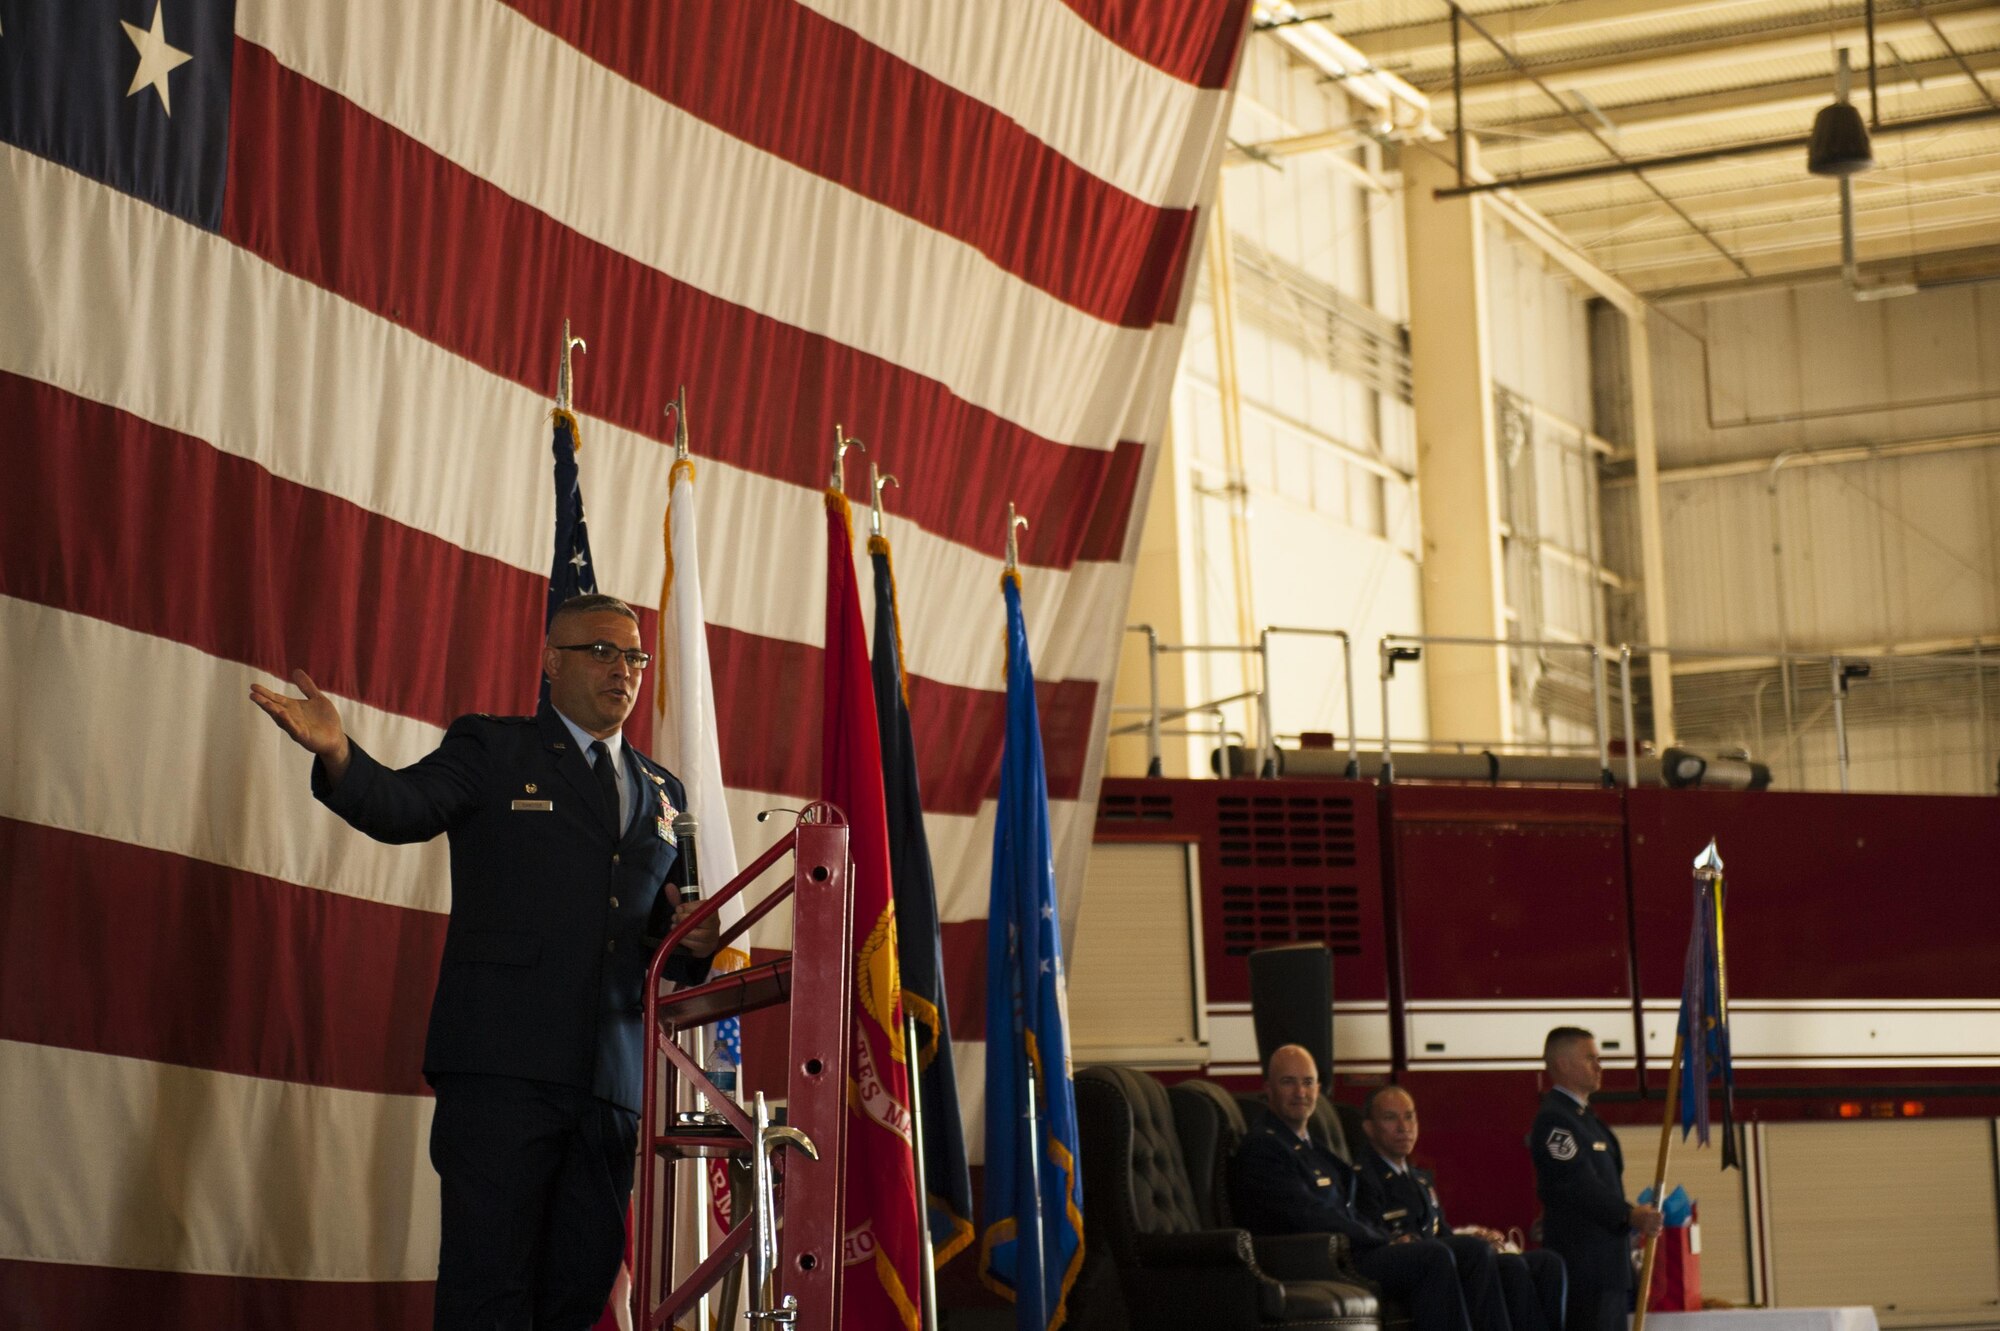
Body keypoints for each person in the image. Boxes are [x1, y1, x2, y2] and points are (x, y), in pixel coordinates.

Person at [252, 592, 720, 1330]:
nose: (622, 669)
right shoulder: (494, 749)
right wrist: (341, 754)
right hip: (502, 1071)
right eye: (600, 650)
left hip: (610, 1085)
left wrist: (694, 945)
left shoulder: (667, 793)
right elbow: (403, 805)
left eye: (633, 655)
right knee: (487, 1290)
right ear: (551, 660)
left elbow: (661, 940)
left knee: (578, 1287)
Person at [1230, 1045, 1505, 1331]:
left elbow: (1346, 1209)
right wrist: (1383, 1238)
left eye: (1308, 1082)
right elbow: (1309, 1215)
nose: (1300, 1092)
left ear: (1318, 1089)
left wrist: (1389, 1238)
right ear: (1268, 1089)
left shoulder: (1314, 1150)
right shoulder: (1265, 1146)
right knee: (1434, 1256)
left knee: (1473, 1251)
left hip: (1352, 1251)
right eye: (1288, 1082)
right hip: (1320, 1260)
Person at [1355, 1084, 1567, 1331]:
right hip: (1411, 1262)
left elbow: (1441, 1232)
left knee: (1541, 1263)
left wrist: (1476, 1238)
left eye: (1410, 1116)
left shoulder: (1420, 1179)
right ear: (1369, 1128)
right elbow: (1372, 1234)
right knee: (1476, 1252)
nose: (1404, 1127)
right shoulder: (1363, 1178)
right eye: (1391, 1118)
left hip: (1438, 1255)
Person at [1529, 1028, 1662, 1331]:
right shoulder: (1556, 1120)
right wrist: (1628, 1214)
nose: (1599, 1066)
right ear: (1562, 1064)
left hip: (1607, 1265)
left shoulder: (1585, 1119)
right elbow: (1577, 1184)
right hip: (1585, 1268)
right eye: (1590, 1058)